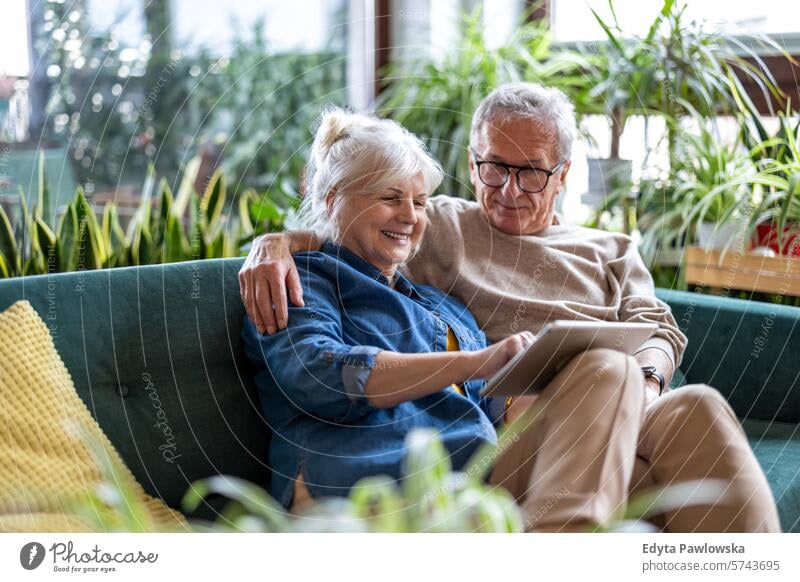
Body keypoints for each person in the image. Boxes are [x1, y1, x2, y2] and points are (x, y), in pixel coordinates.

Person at [239, 84, 781, 532]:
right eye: (495, 168)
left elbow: (658, 329)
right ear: (473, 165)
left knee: (698, 407)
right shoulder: (443, 225)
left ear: (563, 173)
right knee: (602, 367)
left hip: (619, 404)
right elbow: (349, 235)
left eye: (533, 173)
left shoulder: (608, 251)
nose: (510, 190)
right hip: (518, 436)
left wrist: (646, 387)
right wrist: (275, 243)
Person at [241, 108, 536, 513]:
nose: (410, 216)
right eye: (390, 198)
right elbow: (319, 373)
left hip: (469, 484)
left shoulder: (445, 307)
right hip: (362, 486)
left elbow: (486, 401)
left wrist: (527, 391)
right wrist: (471, 363)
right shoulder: (300, 282)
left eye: (419, 201)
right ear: (333, 202)